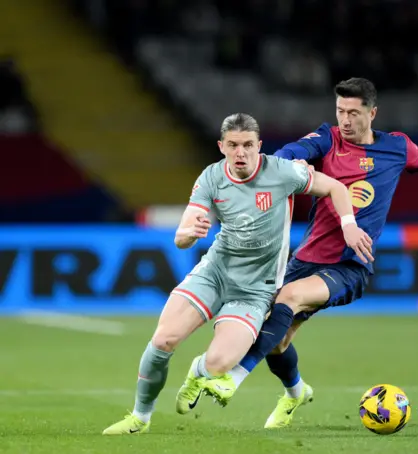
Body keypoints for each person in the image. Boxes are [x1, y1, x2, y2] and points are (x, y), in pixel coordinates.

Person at [178, 78, 418, 428]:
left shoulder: (397, 148)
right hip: (305, 258)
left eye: (354, 113)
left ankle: (232, 377)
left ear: (372, 113)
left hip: (350, 265)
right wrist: (277, 170)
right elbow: (289, 153)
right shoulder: (327, 139)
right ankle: (296, 393)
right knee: (277, 340)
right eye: (341, 111)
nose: (345, 120)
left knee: (290, 297)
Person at [102, 112, 371, 435]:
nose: (240, 152)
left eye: (247, 145)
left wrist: (349, 225)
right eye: (232, 145)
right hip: (215, 273)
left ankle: (197, 371)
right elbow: (182, 236)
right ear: (221, 146)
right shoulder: (211, 177)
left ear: (259, 146)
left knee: (216, 366)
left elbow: (336, 188)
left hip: (256, 290)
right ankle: (140, 418)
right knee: (163, 340)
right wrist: (191, 232)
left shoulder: (284, 172)